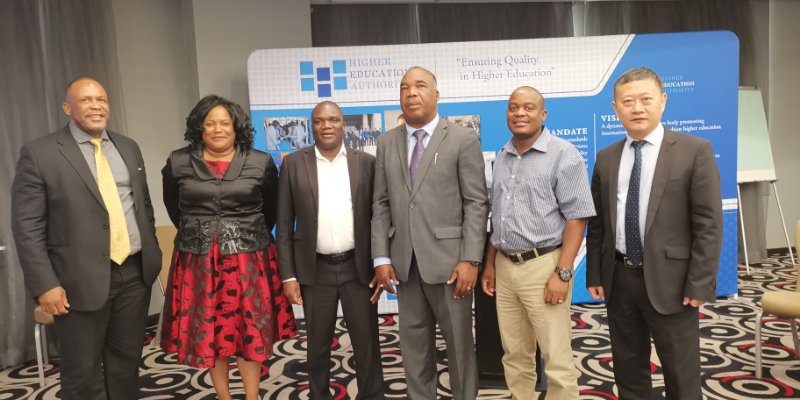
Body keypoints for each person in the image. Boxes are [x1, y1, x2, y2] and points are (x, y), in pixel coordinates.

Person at [11, 77, 161, 400]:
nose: (96, 106)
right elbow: (27, 227)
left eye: (102, 100)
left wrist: (152, 250)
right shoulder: (40, 153)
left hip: (134, 274)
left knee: (126, 367)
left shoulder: (128, 146)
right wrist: (45, 284)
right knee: (82, 374)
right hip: (75, 282)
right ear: (68, 108)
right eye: (86, 100)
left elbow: (143, 204)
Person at [586, 67, 722, 399]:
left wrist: (700, 283)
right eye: (627, 101)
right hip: (619, 279)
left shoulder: (694, 150)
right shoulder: (606, 158)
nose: (637, 108)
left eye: (646, 99)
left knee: (681, 375)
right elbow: (598, 224)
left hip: (673, 282)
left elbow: (708, 224)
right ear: (615, 108)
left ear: (662, 101)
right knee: (628, 370)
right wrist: (595, 273)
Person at [159, 95, 297, 400]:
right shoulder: (177, 162)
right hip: (199, 262)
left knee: (249, 334)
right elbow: (174, 209)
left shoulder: (260, 162)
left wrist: (241, 234)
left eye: (225, 123)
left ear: (236, 128)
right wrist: (204, 233)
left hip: (249, 261)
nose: (217, 129)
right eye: (210, 124)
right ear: (199, 127)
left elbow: (270, 212)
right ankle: (223, 396)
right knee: (211, 333)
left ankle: (252, 396)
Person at [371, 66, 488, 399]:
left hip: (451, 266)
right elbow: (380, 204)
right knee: (414, 350)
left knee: (460, 349)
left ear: (436, 95)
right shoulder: (387, 142)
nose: (411, 93)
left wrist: (470, 259)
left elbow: (476, 203)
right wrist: (381, 257)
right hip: (405, 266)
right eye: (404, 88)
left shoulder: (462, 139)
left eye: (420, 86)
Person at [481, 86, 595, 400]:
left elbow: (577, 217)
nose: (520, 113)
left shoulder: (563, 154)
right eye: (513, 107)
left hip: (544, 266)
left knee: (556, 358)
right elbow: (499, 216)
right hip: (505, 266)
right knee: (514, 354)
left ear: (543, 114)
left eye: (528, 108)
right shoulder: (502, 157)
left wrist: (563, 273)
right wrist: (490, 264)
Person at [276, 101, 385, 399]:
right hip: (315, 270)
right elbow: (283, 225)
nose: (327, 125)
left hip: (358, 268)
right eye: (319, 121)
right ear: (311, 126)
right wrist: (288, 275)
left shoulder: (366, 162)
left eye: (333, 120)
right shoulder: (293, 164)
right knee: (317, 346)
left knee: (367, 344)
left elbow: (379, 217)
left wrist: (381, 261)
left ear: (343, 125)